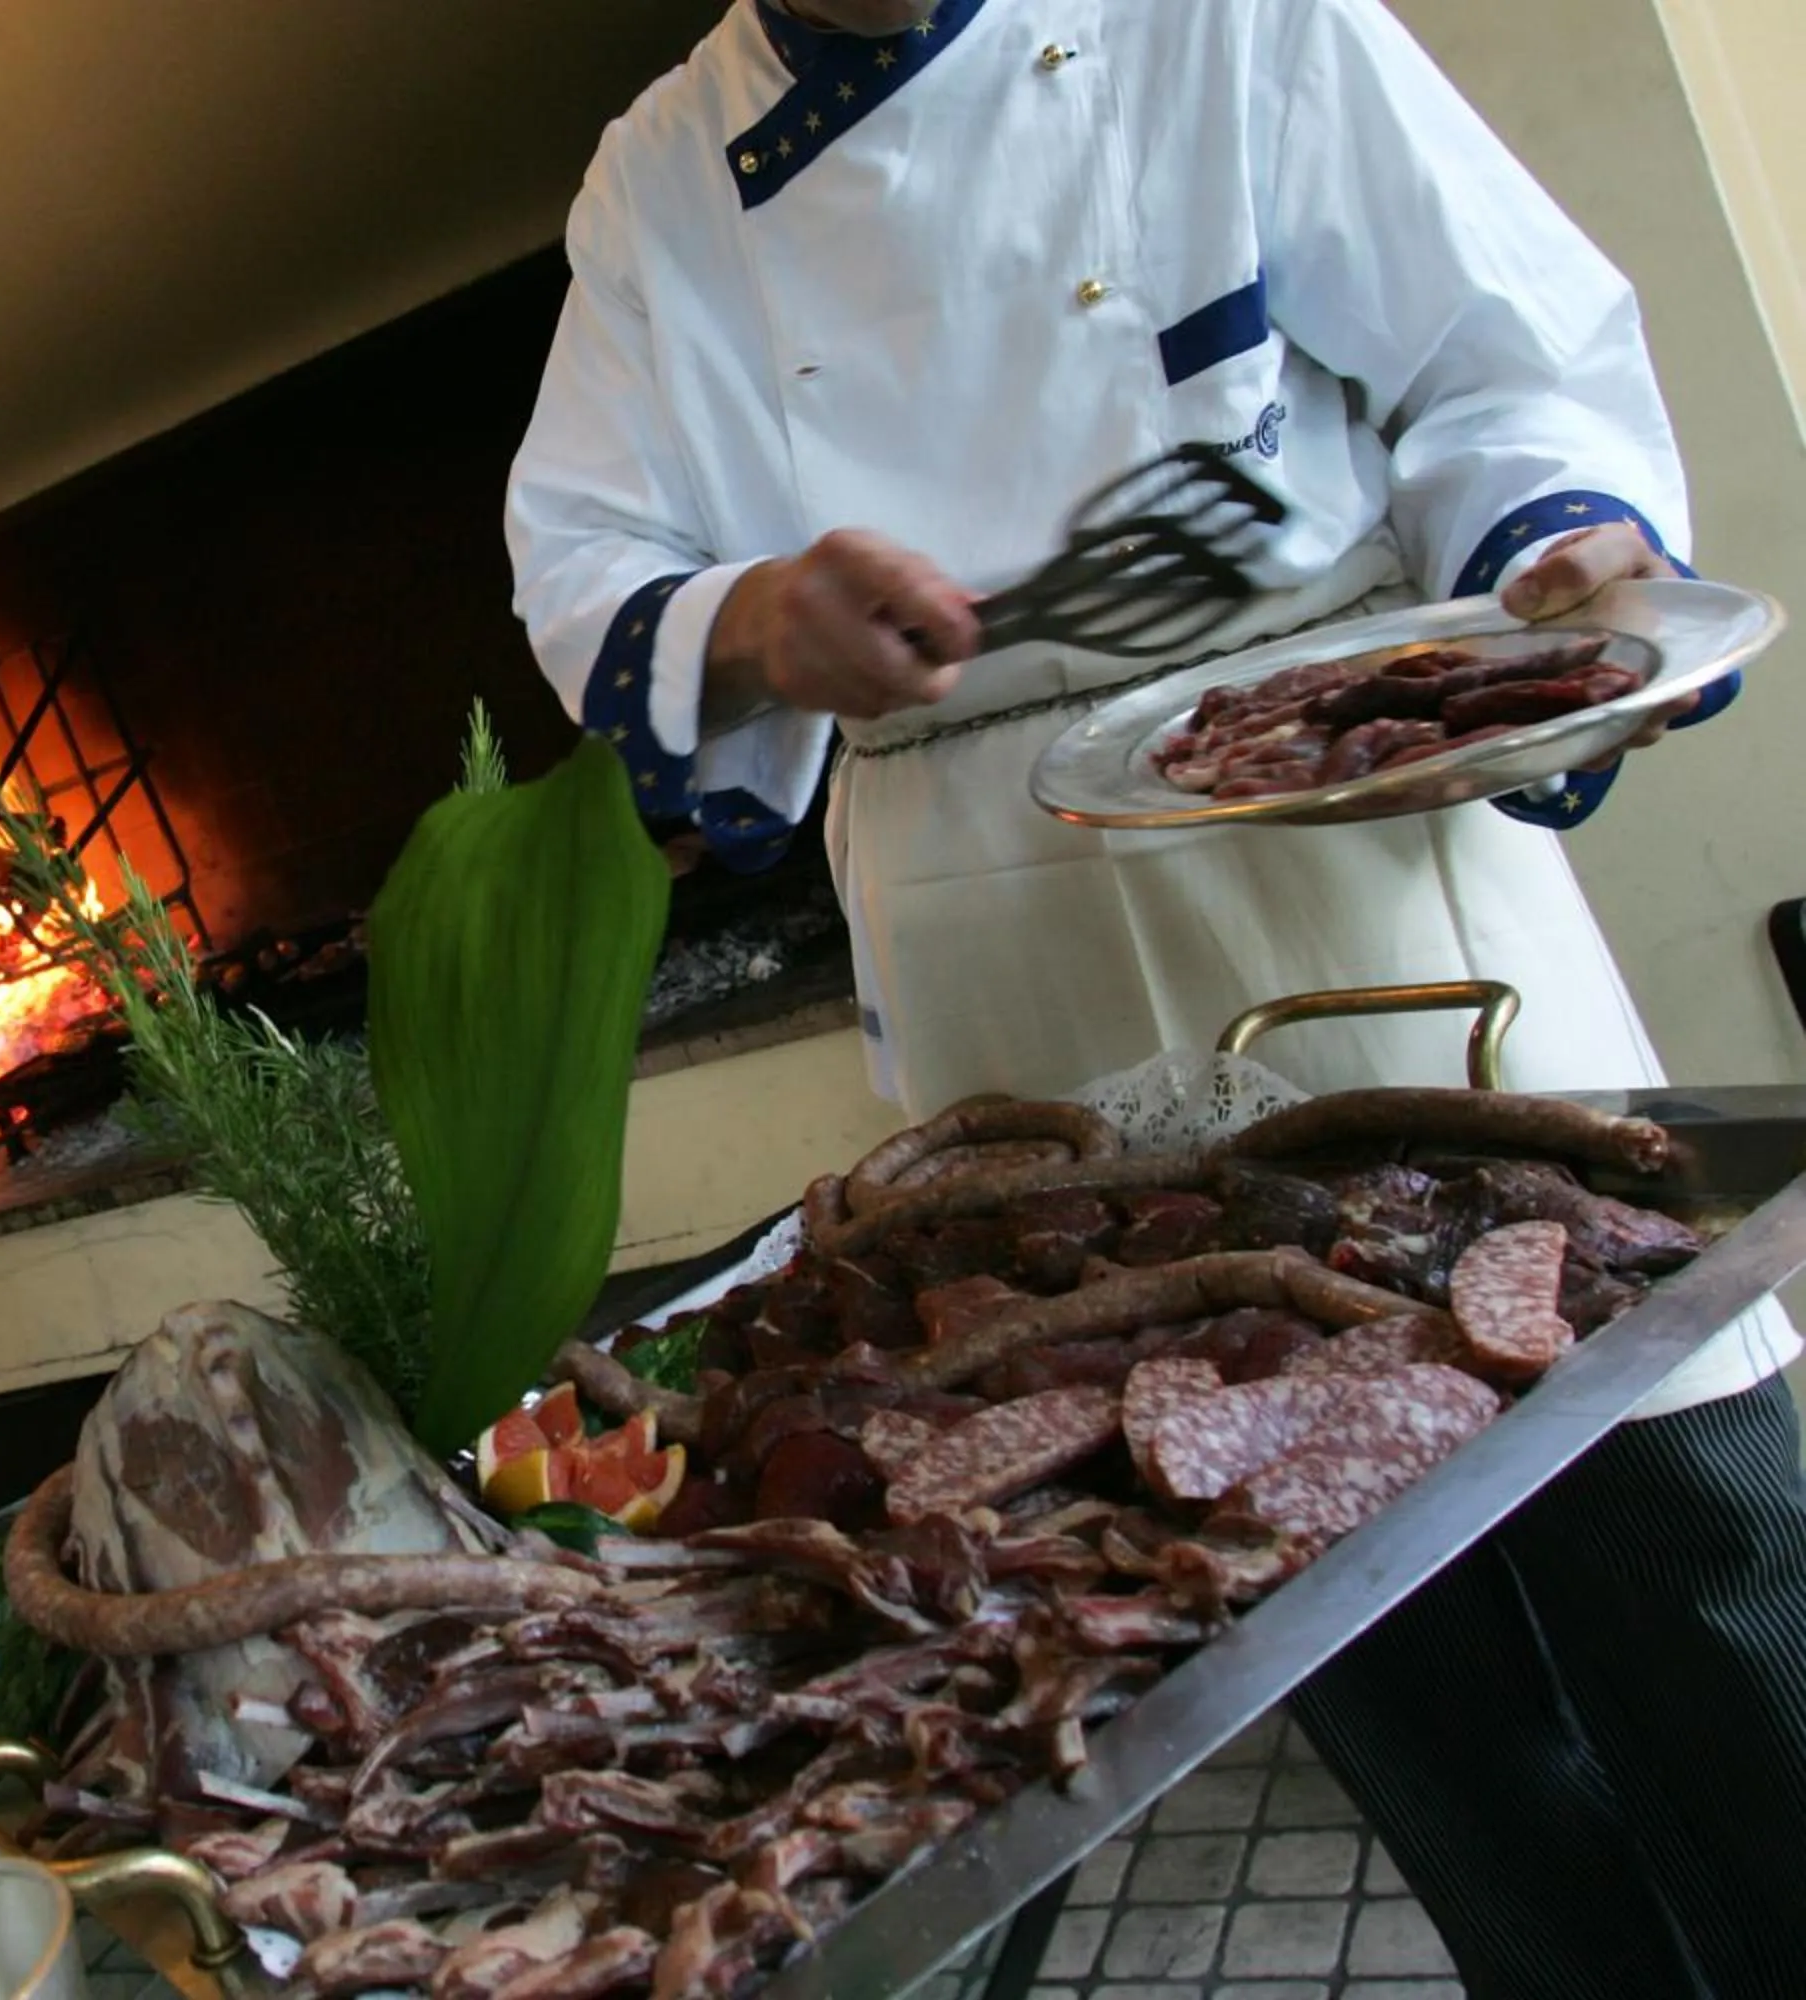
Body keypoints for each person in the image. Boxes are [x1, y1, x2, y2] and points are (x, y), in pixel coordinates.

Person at [505, 2, 1806, 1992]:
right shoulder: (663, 174)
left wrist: (1566, 542)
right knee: (1315, 1584)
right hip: (1002, 940)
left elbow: (1504, 352)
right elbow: (587, 553)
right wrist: (759, 617)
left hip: (1351, 825)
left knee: (1682, 1511)